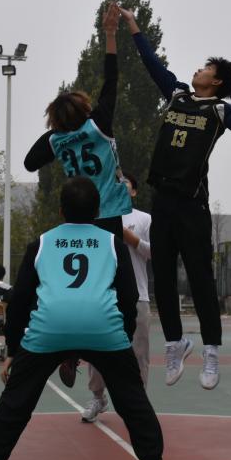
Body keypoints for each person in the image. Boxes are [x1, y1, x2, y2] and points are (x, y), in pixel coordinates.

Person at [0, 178, 174, 460]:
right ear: (98, 211)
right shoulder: (113, 243)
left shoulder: (40, 244)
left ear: (61, 210)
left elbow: (20, 300)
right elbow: (129, 296)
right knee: (133, 400)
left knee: (16, 401)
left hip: (49, 328)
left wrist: (12, 350)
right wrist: (122, 337)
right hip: (103, 328)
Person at [123, 5, 231, 390]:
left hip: (192, 204)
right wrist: (134, 26)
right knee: (163, 277)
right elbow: (152, 63)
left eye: (205, 68)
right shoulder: (176, 95)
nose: (198, 70)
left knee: (201, 278)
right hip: (163, 200)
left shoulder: (220, 110)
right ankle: (175, 344)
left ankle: (211, 351)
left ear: (216, 81)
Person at [24, 2, 130, 386]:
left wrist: (56, 132)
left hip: (76, 219)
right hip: (109, 213)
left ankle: (70, 351)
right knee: (113, 285)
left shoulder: (56, 140)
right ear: (85, 109)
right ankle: (111, 346)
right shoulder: (98, 124)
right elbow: (112, 80)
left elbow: (29, 162)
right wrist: (110, 35)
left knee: (76, 286)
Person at [83, 173, 153, 422]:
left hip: (138, 295)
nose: (120, 187)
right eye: (116, 184)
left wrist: (129, 237)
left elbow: (154, 252)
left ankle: (139, 400)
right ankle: (97, 397)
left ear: (133, 192)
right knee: (96, 349)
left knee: (138, 352)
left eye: (126, 184)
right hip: (103, 295)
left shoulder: (144, 219)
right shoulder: (99, 219)